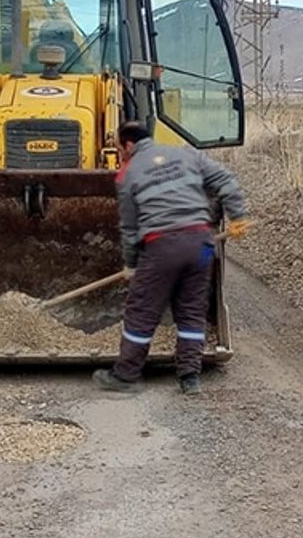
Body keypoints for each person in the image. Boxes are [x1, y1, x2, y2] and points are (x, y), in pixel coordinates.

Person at [93, 122, 250, 396]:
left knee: (142, 309)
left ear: (128, 145)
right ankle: (190, 377)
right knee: (191, 308)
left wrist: (131, 264)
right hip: (202, 245)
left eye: (119, 148)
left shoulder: (127, 174)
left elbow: (129, 228)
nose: (120, 153)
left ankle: (126, 374)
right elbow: (225, 179)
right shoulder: (186, 154)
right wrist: (238, 216)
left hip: (163, 247)